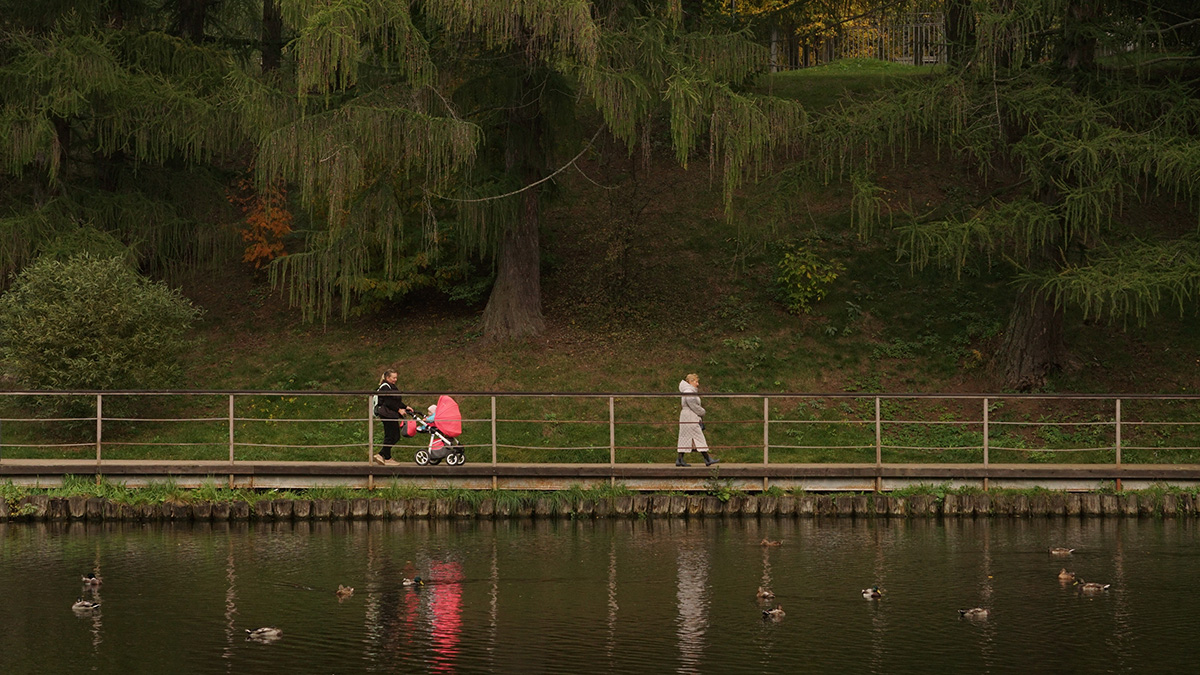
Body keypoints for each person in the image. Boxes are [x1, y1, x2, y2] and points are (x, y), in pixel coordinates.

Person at [677, 373, 718, 467]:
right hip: (690, 416)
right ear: (691, 382)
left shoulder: (688, 390)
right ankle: (707, 459)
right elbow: (692, 404)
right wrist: (702, 411)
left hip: (687, 416)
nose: (697, 383)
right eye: (696, 381)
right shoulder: (688, 391)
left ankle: (680, 459)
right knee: (698, 436)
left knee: (686, 437)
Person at [374, 369, 414, 466]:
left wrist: (405, 406)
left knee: (390, 435)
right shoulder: (385, 387)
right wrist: (398, 409)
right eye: (394, 378)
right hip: (387, 414)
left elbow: (395, 400)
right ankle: (381, 454)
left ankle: (387, 457)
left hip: (390, 414)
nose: (395, 379)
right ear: (388, 378)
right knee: (394, 435)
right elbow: (389, 402)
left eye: (396, 377)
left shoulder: (391, 386)